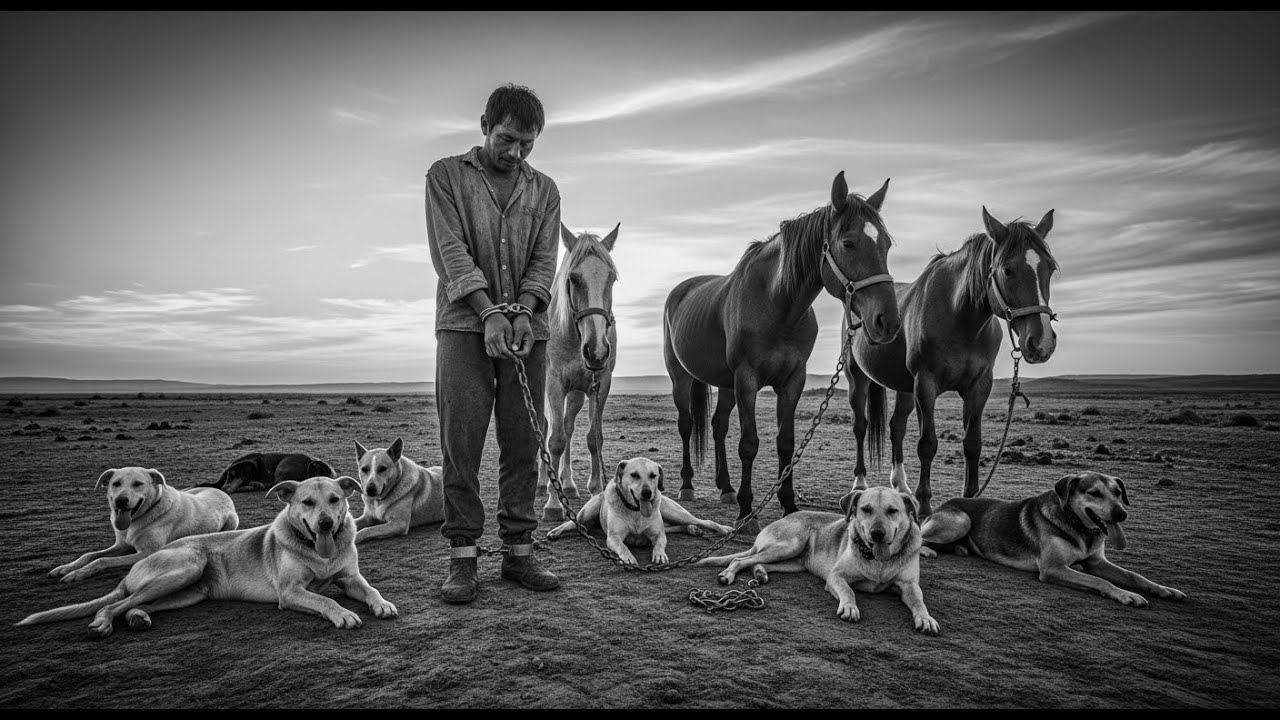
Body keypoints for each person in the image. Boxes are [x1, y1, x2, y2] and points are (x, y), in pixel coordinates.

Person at [424, 83, 562, 603]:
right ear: (484, 125)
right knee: (460, 443)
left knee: (524, 441)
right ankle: (462, 559)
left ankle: (519, 554)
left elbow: (545, 260)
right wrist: (488, 312)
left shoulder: (545, 190)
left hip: (529, 330)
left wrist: (523, 310)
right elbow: (450, 252)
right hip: (464, 327)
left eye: (527, 143)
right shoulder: (445, 176)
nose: (516, 153)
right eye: (506, 139)